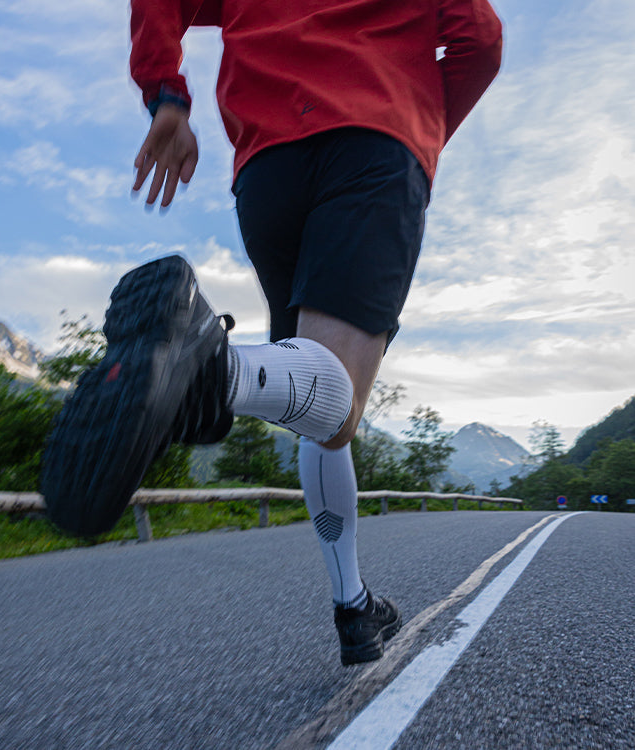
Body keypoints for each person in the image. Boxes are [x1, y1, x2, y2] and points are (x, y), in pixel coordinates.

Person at [42, 0, 502, 666]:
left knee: (307, 386)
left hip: (267, 168)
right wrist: (421, 124)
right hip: (376, 137)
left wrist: (166, 95)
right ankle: (208, 366)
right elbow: (479, 40)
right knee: (337, 403)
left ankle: (353, 605)